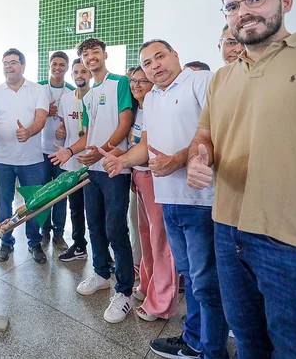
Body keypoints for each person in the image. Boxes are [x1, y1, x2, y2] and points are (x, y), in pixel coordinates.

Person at [188, 0, 296, 359]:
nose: (244, 11)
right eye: (232, 6)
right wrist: (199, 157)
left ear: (284, 1)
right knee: (248, 338)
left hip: (288, 237)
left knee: (291, 346)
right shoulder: (222, 78)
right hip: (228, 226)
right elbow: (205, 135)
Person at [101, 40, 228, 358]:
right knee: (190, 275)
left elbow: (218, 132)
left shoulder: (201, 81)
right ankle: (194, 337)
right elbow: (148, 145)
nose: (154, 65)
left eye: (160, 56)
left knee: (206, 281)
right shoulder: (153, 99)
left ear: (175, 56)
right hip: (168, 199)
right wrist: (124, 161)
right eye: (146, 63)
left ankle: (212, 350)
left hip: (202, 200)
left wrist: (179, 160)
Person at [49, 38, 134, 324]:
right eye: (85, 54)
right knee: (94, 224)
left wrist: (102, 150)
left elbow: (125, 123)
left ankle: (124, 291)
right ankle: (100, 273)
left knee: (115, 229)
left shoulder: (119, 83)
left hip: (114, 168)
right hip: (92, 170)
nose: (90, 57)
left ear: (105, 55)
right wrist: (71, 150)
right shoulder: (85, 96)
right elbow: (88, 134)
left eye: (94, 52)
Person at [103, 67, 179, 322]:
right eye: (133, 80)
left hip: (157, 178)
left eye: (142, 81)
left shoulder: (158, 107)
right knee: (144, 238)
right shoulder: (139, 109)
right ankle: (147, 287)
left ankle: (162, 304)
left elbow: (149, 147)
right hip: (138, 176)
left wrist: (124, 161)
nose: (136, 85)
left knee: (161, 241)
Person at [0, 48, 49, 264]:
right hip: (2, 160)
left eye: (13, 62)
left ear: (23, 66)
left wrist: (28, 132)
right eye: (5, 62)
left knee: (33, 202)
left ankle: (34, 243)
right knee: (3, 204)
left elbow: (41, 119)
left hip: (32, 160)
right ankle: (6, 242)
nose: (9, 66)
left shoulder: (37, 90)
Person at [54, 59, 90, 261]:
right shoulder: (66, 99)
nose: (79, 76)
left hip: (94, 162)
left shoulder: (97, 96)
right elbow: (64, 128)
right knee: (75, 208)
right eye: (76, 72)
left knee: (97, 210)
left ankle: (105, 254)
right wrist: (61, 131)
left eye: (83, 71)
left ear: (90, 74)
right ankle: (79, 246)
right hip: (72, 163)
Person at [38, 51, 75, 250]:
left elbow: (75, 122)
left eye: (62, 65)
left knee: (61, 194)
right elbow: (30, 115)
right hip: (40, 151)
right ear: (49, 65)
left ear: (67, 68)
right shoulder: (39, 89)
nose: (57, 68)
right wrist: (44, 113)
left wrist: (65, 130)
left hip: (61, 151)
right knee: (44, 193)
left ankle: (59, 234)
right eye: (54, 64)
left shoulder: (71, 92)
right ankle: (44, 232)